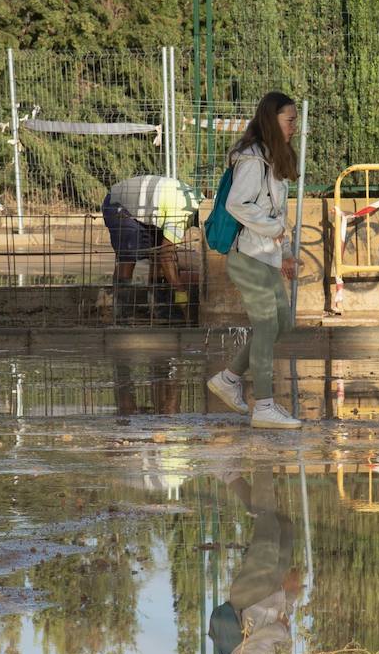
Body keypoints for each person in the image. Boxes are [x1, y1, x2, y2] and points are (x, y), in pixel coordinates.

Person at [205, 92, 302, 430]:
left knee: (281, 324)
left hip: (267, 256)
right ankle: (264, 405)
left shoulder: (273, 157)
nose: (294, 127)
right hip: (248, 257)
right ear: (271, 120)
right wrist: (275, 230)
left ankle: (229, 379)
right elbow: (238, 204)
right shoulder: (252, 159)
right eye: (289, 120)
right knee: (265, 326)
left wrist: (286, 252)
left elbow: (276, 211)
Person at [208, 468, 302, 654]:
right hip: (270, 599)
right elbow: (279, 652)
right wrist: (290, 595)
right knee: (284, 528)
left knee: (269, 527)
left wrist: (279, 629)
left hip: (251, 600)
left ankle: (263, 453)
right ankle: (230, 474)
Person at [101, 174, 202, 323]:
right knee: (128, 256)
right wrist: (180, 289)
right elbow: (166, 256)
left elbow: (163, 252)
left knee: (157, 251)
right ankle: (121, 313)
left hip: (149, 204)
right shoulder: (180, 214)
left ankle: (160, 309)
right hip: (119, 203)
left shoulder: (200, 200)